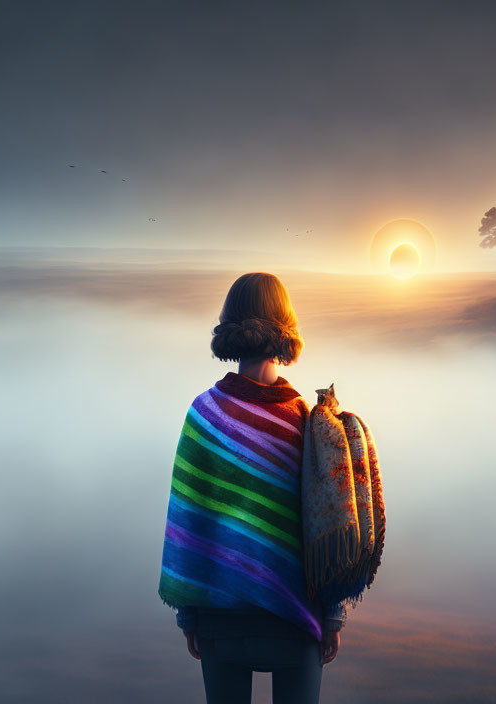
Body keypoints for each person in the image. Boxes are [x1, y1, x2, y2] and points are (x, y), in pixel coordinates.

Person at [159, 272, 348, 704]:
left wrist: (190, 614)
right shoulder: (308, 419)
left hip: (219, 615)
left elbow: (190, 520)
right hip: (296, 618)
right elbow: (329, 522)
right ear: (287, 325)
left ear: (229, 323)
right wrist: (333, 615)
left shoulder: (204, 415)